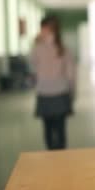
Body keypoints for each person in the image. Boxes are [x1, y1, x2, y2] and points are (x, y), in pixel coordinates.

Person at [30, 15, 76, 150]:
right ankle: (53, 161)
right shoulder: (38, 48)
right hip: (47, 93)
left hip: (58, 93)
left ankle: (58, 161)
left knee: (56, 131)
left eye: (43, 28)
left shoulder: (64, 50)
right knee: (50, 131)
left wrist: (72, 93)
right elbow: (32, 66)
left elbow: (71, 75)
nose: (41, 31)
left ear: (51, 29)